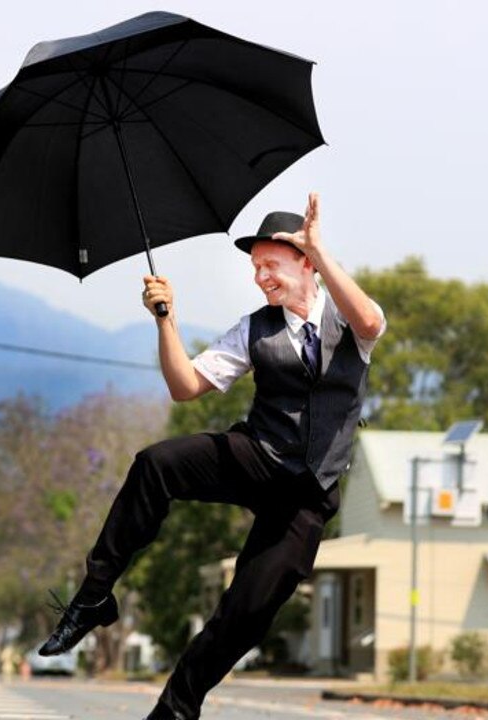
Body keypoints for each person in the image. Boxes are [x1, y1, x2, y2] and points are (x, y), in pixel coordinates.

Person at [38, 192, 386, 720]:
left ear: (306, 263)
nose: (260, 277)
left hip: (307, 495)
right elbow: (185, 386)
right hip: (258, 456)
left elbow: (372, 322)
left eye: (270, 264)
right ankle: (93, 596)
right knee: (157, 464)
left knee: (244, 614)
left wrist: (322, 247)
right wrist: (165, 320)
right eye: (255, 267)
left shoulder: (348, 320)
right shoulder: (254, 329)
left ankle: (176, 709)